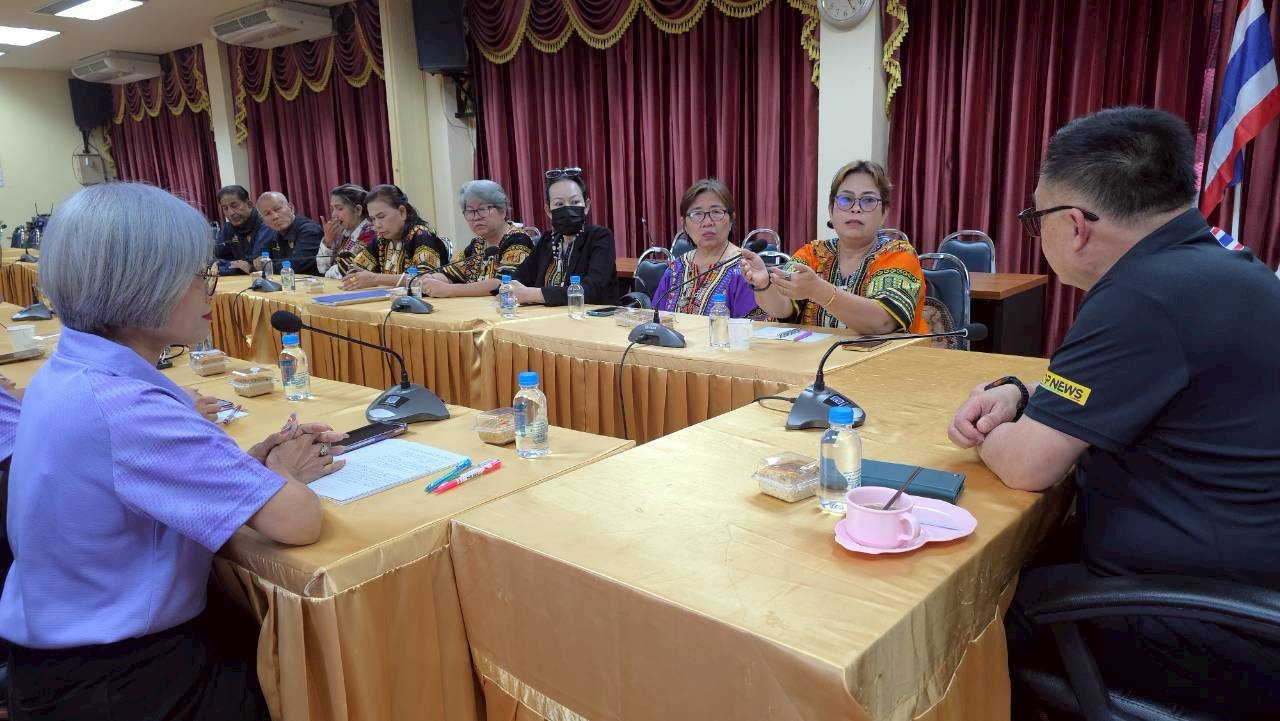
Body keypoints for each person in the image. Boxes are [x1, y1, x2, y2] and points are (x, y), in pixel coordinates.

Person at [946, 107, 1280, 717]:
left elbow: (1026, 466)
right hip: (1242, 579)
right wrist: (1020, 393)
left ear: (1074, 224)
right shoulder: (1218, 265)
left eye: (1035, 220)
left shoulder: (1140, 296)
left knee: (964, 617)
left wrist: (984, 428)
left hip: (1202, 622)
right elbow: (1110, 389)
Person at [0, 182, 348, 720]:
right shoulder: (127, 407)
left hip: (63, 659)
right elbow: (297, 521)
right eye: (196, 274)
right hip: (124, 680)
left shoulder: (68, 370)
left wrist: (251, 466)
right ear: (140, 284)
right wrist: (284, 470)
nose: (209, 290)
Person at [739, 160, 927, 333]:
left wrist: (819, 290)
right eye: (846, 199)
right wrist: (764, 285)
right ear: (831, 210)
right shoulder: (813, 253)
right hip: (817, 357)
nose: (856, 208)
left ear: (884, 212)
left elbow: (883, 323)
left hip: (889, 358)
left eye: (868, 200)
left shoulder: (899, 254)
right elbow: (783, 308)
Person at [650, 179, 763, 318]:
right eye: (697, 214)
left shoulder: (745, 269)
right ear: (684, 224)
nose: (707, 222)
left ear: (731, 219)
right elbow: (656, 320)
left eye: (716, 212)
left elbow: (752, 328)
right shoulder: (676, 268)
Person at [510, 167, 616, 306]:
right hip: (543, 316)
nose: (568, 209)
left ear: (586, 206)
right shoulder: (547, 239)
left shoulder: (600, 237)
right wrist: (509, 287)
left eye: (575, 202)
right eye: (559, 204)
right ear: (548, 211)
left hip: (588, 316)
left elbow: (592, 290)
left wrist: (532, 294)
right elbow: (519, 277)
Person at [418, 180, 536, 298]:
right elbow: (451, 274)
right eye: (470, 211)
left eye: (483, 209)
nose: (476, 217)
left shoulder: (519, 240)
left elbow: (502, 284)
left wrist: (449, 290)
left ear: (503, 211)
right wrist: (431, 279)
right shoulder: (477, 244)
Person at [340, 184, 452, 290]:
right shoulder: (380, 239)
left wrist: (375, 278)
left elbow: (424, 279)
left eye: (381, 216)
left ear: (402, 212)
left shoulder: (422, 235)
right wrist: (357, 276)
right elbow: (356, 267)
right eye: (373, 219)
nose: (377, 225)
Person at [316, 183, 376, 279]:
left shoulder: (370, 233)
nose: (334, 215)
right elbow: (322, 268)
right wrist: (328, 241)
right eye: (332, 209)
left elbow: (347, 272)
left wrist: (329, 272)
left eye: (339, 208)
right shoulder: (344, 234)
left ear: (358, 210)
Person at [255, 192, 324, 276]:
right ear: (263, 221)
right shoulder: (273, 232)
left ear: (291, 207)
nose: (275, 216)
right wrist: (259, 263)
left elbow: (296, 265)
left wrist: (264, 266)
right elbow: (260, 258)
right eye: (267, 214)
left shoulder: (309, 230)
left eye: (277, 209)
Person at [214, 185, 274, 275]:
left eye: (235, 206)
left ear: (249, 204)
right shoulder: (228, 227)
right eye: (225, 208)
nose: (230, 213)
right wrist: (239, 266)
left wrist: (245, 266)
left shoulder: (265, 223)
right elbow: (216, 260)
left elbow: (256, 262)